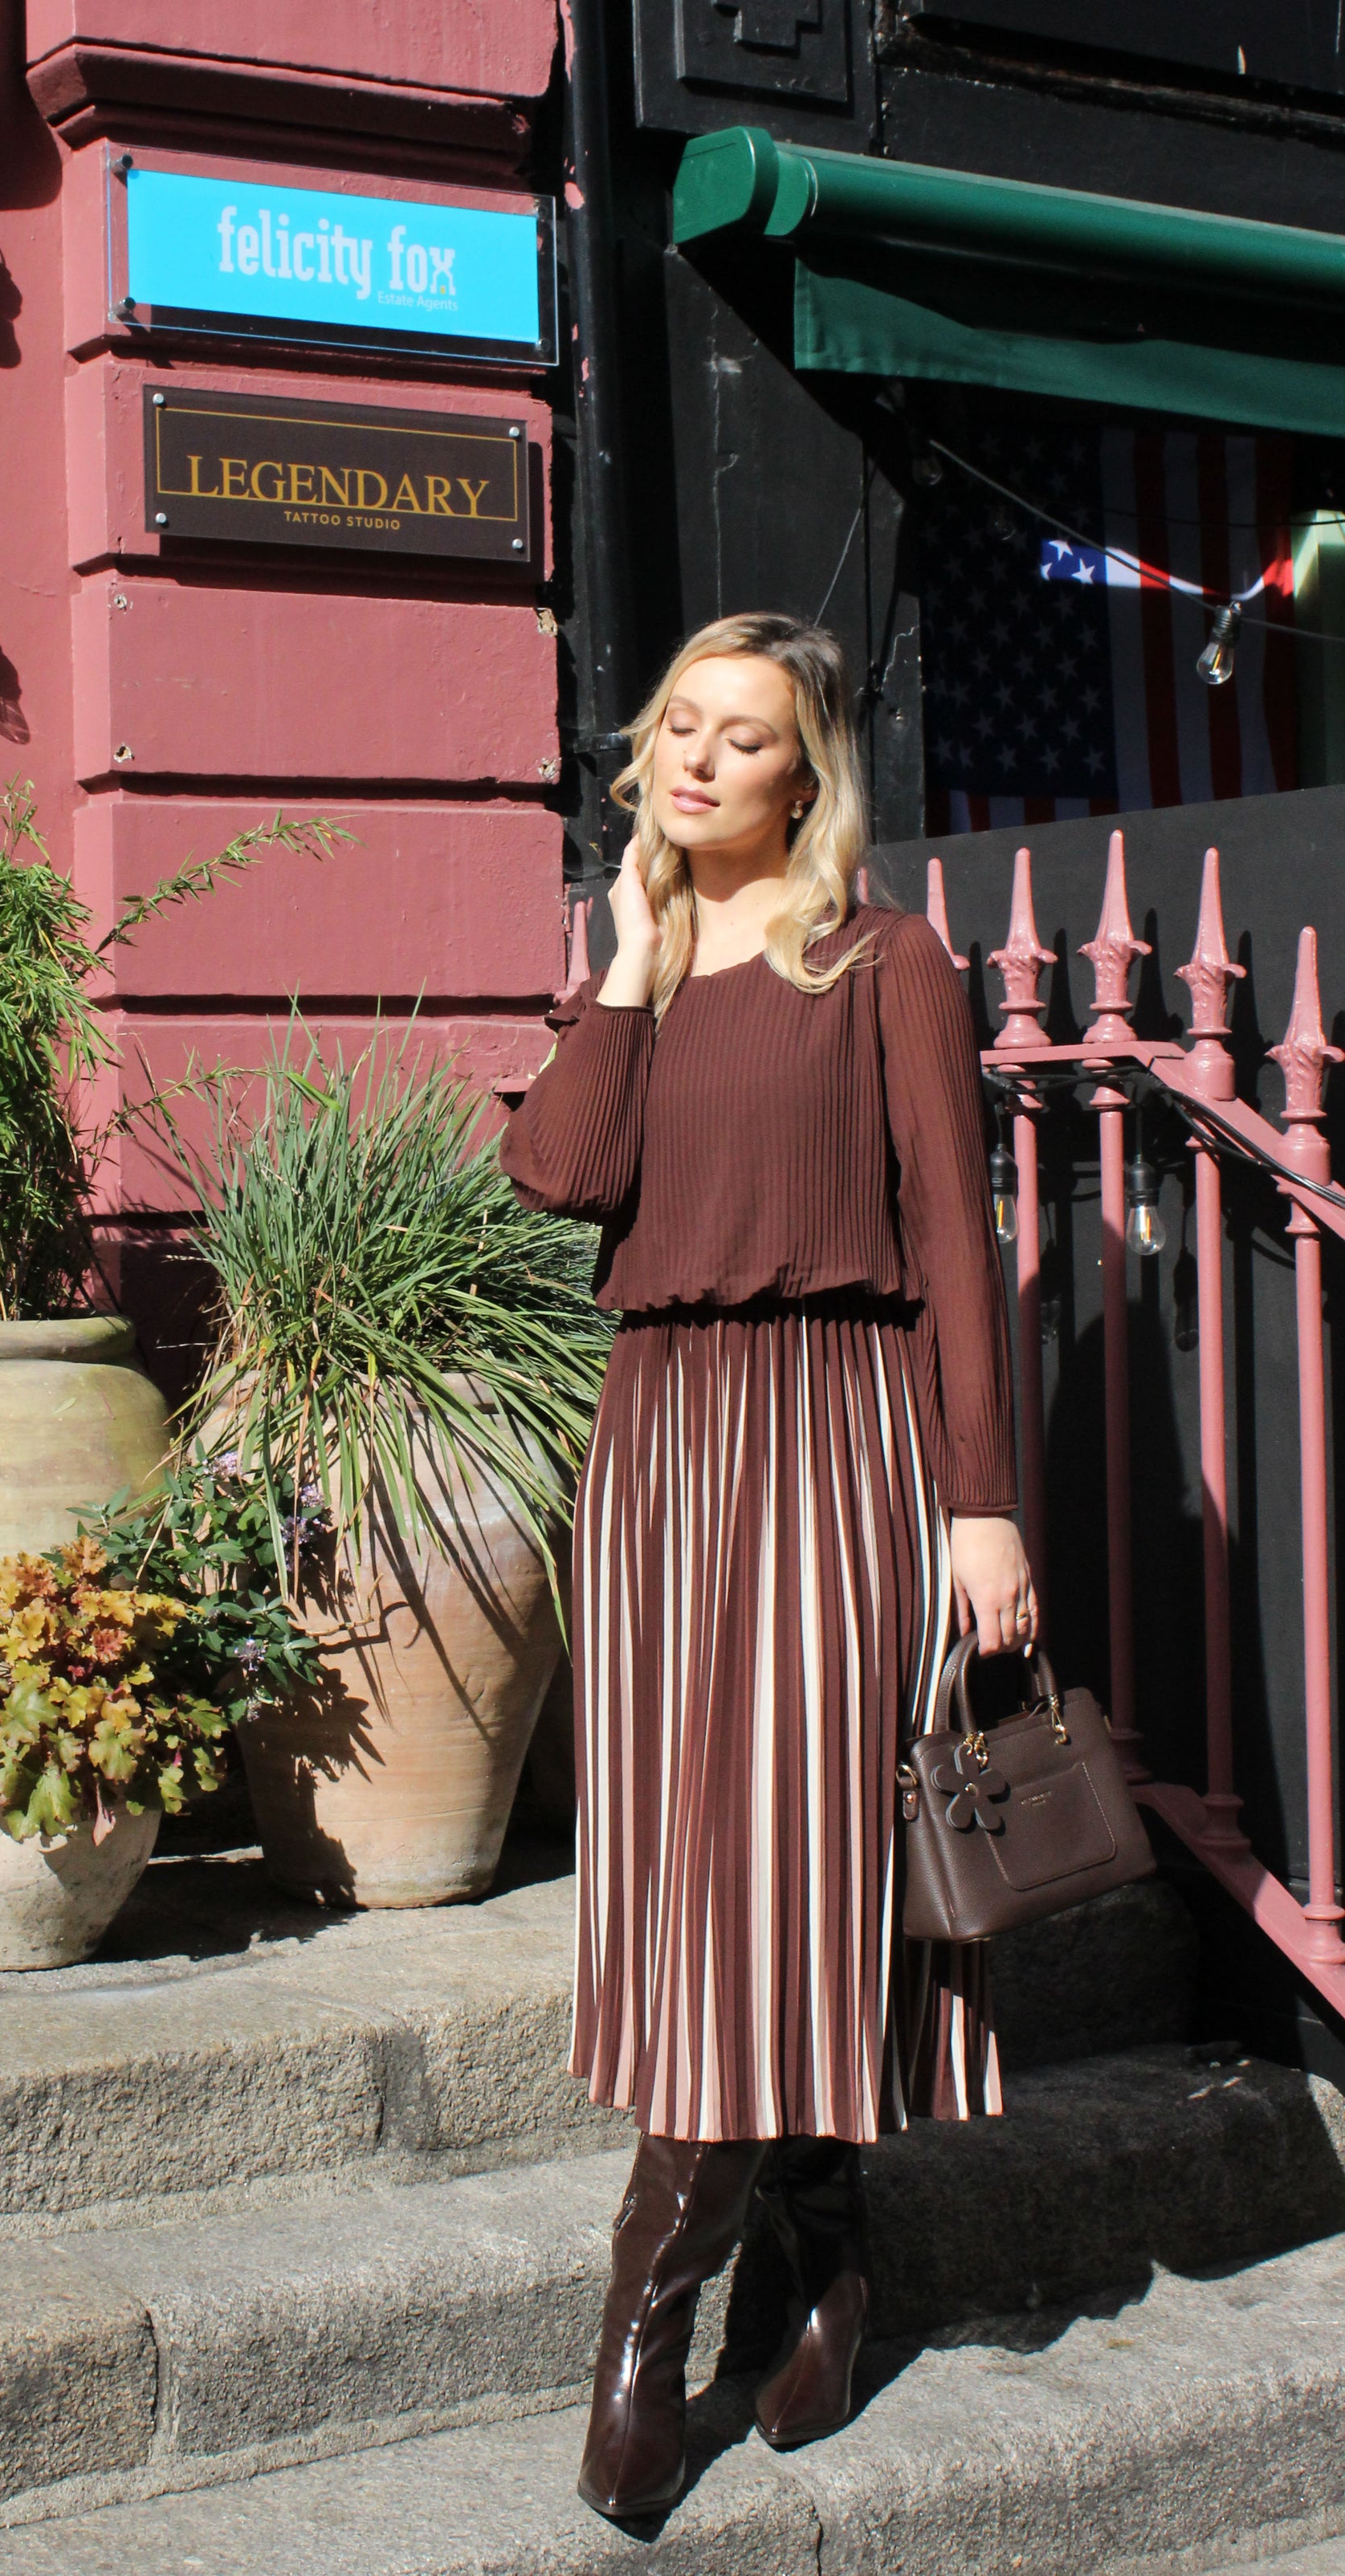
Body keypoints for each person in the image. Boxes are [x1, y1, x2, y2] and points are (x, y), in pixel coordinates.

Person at [499, 611, 1036, 2524]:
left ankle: (648, 2321)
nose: (694, 760)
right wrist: (630, 969)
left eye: (740, 737)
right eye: (674, 729)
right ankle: (827, 2232)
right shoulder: (634, 966)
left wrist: (984, 1502)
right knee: (702, 1870)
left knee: (784, 1868)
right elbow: (556, 1179)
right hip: (661, 1458)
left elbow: (956, 1252)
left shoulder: (884, 962)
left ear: (808, 773)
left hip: (833, 1440)